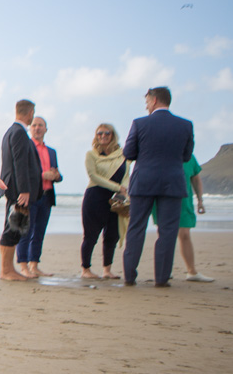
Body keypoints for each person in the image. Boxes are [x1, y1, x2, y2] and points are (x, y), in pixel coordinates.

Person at [122, 86, 194, 287]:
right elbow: (186, 156)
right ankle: (161, 278)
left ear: (154, 101)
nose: (146, 106)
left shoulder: (139, 124)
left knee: (136, 228)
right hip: (172, 182)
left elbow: (128, 153)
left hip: (143, 181)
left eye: (147, 102)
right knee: (168, 231)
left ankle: (129, 276)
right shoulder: (185, 125)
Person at [0, 100, 43, 281]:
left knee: (12, 227)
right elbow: (19, 163)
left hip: (13, 188)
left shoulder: (11, 132)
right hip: (18, 190)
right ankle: (6, 270)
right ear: (30, 113)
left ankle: (8, 269)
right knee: (13, 228)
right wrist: (24, 190)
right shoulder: (18, 133)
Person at [80, 123, 127, 280]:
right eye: (99, 133)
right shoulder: (91, 155)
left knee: (112, 235)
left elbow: (127, 175)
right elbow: (93, 176)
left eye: (107, 133)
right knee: (90, 235)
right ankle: (85, 269)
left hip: (115, 199)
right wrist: (116, 186)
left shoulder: (122, 155)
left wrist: (123, 192)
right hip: (95, 198)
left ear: (113, 135)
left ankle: (107, 270)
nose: (103, 136)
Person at [15, 116, 61, 278]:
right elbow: (21, 171)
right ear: (30, 128)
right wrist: (43, 175)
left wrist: (55, 176)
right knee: (25, 231)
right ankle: (23, 266)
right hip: (31, 195)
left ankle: (34, 265)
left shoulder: (51, 152)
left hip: (47, 196)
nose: (37, 128)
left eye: (40, 125)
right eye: (34, 125)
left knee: (39, 233)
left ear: (46, 129)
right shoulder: (26, 146)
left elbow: (58, 175)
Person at [159, 155, 214, 283]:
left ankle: (191, 271)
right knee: (165, 234)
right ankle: (165, 270)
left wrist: (200, 200)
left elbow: (195, 178)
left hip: (184, 200)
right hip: (163, 199)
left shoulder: (188, 156)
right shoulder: (161, 152)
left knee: (184, 234)